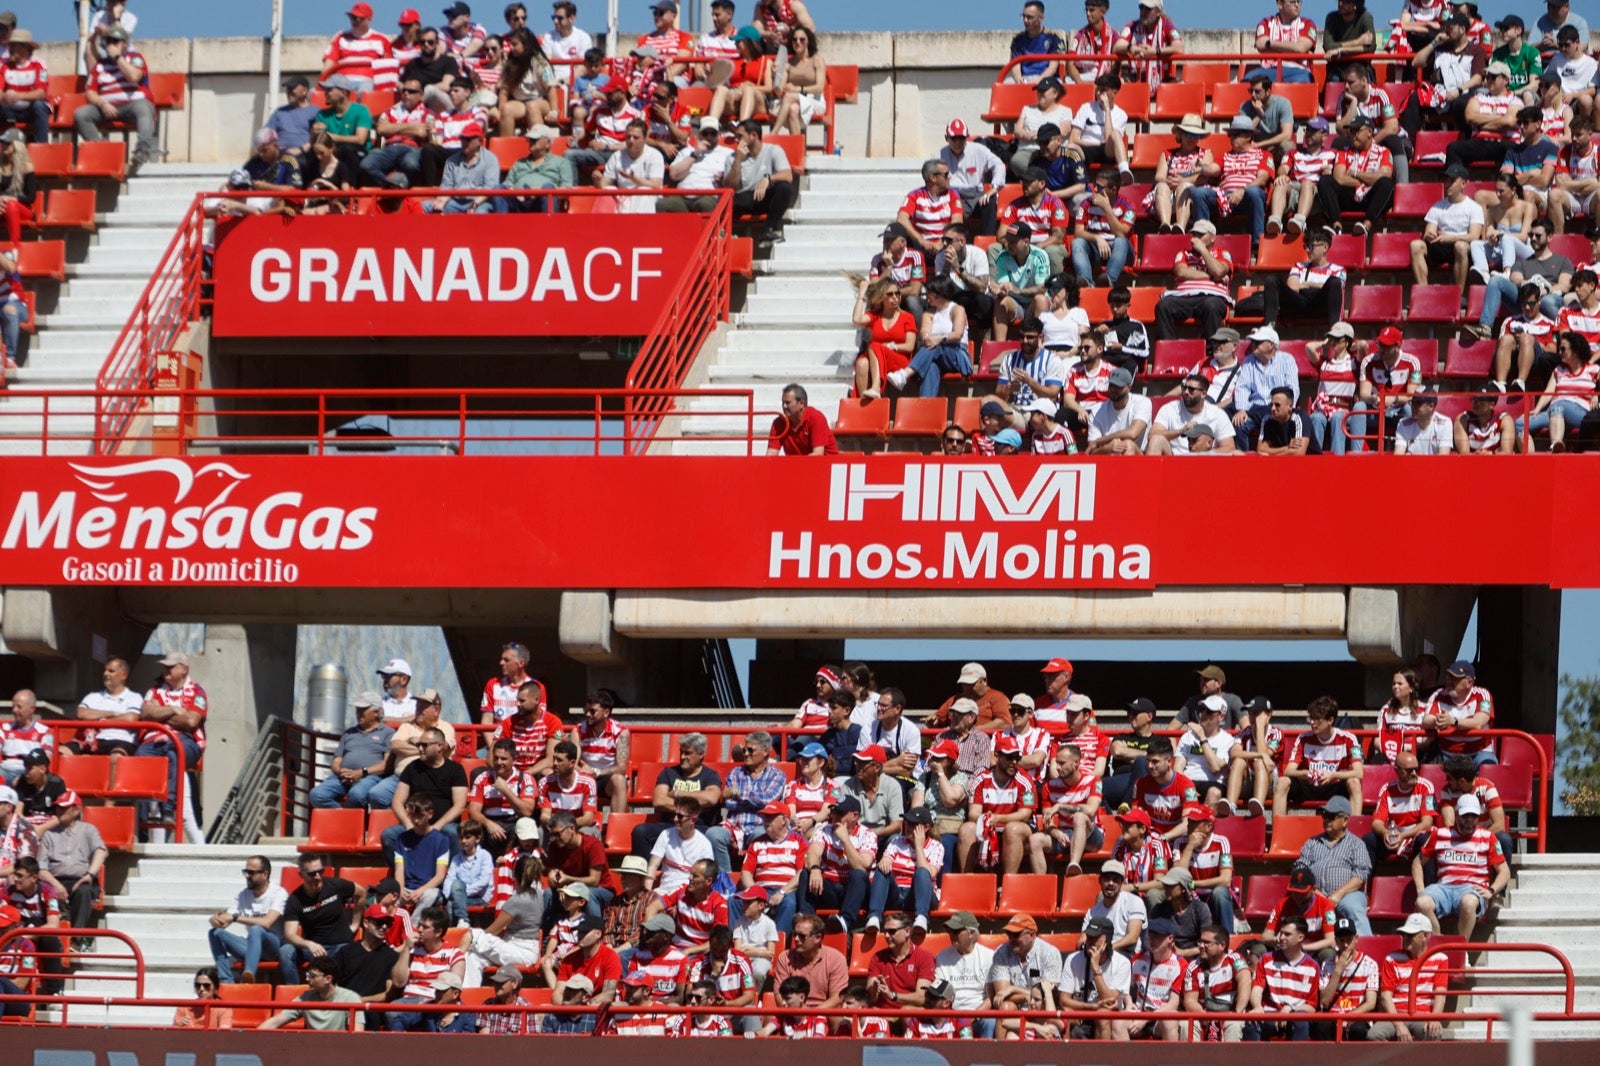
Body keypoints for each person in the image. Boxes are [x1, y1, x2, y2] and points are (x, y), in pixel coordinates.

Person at [1416, 793, 1508, 941]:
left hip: (1471, 889)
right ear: (1457, 814)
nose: (1469, 821)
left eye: (1474, 816)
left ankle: (1460, 950)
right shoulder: (1440, 834)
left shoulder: (1488, 837)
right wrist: (1421, 889)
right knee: (1422, 902)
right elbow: (1418, 862)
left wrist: (1491, 891)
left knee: (1468, 902)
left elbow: (1504, 871)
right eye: (1465, 816)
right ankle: (1439, 943)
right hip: (1443, 888)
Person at [74, 28, 155, 176]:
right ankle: (101, 153)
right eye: (108, 41)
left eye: (115, 41)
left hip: (132, 104)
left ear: (124, 44)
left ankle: (142, 151)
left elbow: (134, 77)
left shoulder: (135, 58)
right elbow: (90, 91)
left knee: (144, 107)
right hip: (107, 107)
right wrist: (102, 104)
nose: (110, 45)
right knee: (81, 114)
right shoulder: (99, 66)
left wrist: (118, 58)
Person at [207, 855, 296, 984]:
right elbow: (225, 921)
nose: (247, 876)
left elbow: (267, 922)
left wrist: (235, 917)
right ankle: (227, 980)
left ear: (265, 875)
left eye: (251, 872)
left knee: (256, 930)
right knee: (215, 933)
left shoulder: (278, 893)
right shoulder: (243, 895)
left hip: (274, 947)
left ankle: (249, 975)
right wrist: (216, 921)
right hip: (252, 948)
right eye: (245, 872)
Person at [1368, 913, 1449, 1041]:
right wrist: (1399, 1025)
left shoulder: (1440, 959)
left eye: (1410, 935)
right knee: (1374, 1035)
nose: (1406, 938)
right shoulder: (1392, 958)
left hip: (1423, 1016)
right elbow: (1385, 996)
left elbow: (1441, 993)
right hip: (1397, 1014)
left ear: (1425, 936)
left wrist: (1434, 1017)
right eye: (1404, 934)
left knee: (1433, 1034)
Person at [888, 277, 972, 397]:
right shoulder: (929, 313)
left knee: (935, 347)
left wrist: (939, 339)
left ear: (940, 294)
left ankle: (905, 374)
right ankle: (926, 405)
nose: (926, 296)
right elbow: (924, 333)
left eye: (929, 293)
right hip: (936, 355)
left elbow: (958, 334)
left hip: (957, 354)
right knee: (931, 367)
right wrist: (929, 339)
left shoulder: (957, 309)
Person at [309, 693, 392, 810]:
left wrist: (362, 772)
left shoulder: (388, 733)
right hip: (342, 777)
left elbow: (387, 764)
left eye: (363, 709)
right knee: (316, 795)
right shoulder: (349, 733)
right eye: (357, 709)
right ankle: (344, 818)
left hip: (369, 777)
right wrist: (340, 770)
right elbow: (336, 760)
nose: (358, 713)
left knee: (357, 794)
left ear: (376, 712)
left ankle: (348, 820)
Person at [1155, 221, 1234, 341]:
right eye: (1194, 235)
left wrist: (1203, 250)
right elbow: (1181, 272)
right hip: (1184, 297)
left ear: (1212, 238)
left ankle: (1212, 350)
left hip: (1211, 297)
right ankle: (1167, 350)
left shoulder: (1222, 253)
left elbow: (1219, 271)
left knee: (1211, 306)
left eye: (1200, 235)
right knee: (1163, 305)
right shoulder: (1184, 254)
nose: (1196, 238)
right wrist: (1211, 276)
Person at [1517, 331, 1596, 451]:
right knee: (1518, 423)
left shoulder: (1593, 369)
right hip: (1554, 412)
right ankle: (1531, 459)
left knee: (1559, 405)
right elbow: (1548, 393)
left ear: (1575, 350)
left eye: (1563, 349)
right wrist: (1537, 409)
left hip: (1580, 414)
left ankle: (1556, 445)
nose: (1560, 352)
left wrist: (1596, 395)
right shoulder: (1559, 370)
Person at [1412, 165, 1486, 293]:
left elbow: (1474, 236)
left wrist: (1450, 238)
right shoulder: (1438, 206)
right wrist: (1430, 235)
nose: (1447, 184)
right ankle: (1423, 292)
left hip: (1460, 246)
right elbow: (1429, 231)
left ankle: (1459, 294)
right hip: (1440, 244)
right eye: (1446, 180)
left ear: (1463, 183)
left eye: (1452, 181)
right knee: (1416, 245)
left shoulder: (1474, 207)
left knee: (1461, 246)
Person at [1246, 914, 1319, 1040]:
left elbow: (1312, 1006)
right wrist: (1257, 1006)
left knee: (1300, 1021)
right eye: (1280, 933)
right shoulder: (1266, 959)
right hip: (1269, 1013)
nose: (1280, 938)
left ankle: (1299, 1059)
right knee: (1253, 1021)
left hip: (1296, 1015)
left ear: (1300, 937)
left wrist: (1290, 1009)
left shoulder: (1313, 967)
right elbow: (1257, 989)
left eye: (1287, 934)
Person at [723, 119, 792, 245]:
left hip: (764, 198)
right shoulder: (732, 157)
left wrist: (768, 178)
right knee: (726, 202)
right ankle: (724, 235)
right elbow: (730, 188)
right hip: (743, 199)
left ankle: (768, 230)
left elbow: (788, 175)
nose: (736, 140)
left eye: (740, 136)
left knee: (785, 187)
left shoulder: (773, 150)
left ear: (753, 135)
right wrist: (738, 160)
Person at [1422, 659, 1498, 767]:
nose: (1449, 681)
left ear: (1469, 682)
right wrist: (1438, 720)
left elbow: (1478, 723)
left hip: (1478, 753)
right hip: (1446, 754)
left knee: (1488, 765)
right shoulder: (1438, 695)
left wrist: (1453, 721)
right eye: (1448, 677)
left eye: (1455, 679)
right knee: (1429, 767)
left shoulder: (1482, 695)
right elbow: (1426, 721)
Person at [259, 955, 364, 1031]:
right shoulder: (305, 997)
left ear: (328, 979)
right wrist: (251, 1038)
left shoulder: (351, 998)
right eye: (307, 975)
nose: (307, 979)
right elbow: (276, 1021)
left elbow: (357, 1034)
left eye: (312, 976)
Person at [940, 120, 1005, 237]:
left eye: (961, 138)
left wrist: (994, 187)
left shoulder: (978, 150)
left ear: (967, 137)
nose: (958, 142)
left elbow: (998, 165)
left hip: (975, 195)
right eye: (954, 138)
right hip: (952, 195)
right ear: (946, 138)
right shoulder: (939, 155)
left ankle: (987, 241)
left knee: (989, 201)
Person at [1070, 169, 1135, 287]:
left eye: (1099, 187)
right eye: (1094, 185)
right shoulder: (1086, 204)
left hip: (1121, 253)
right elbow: (1078, 232)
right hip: (1097, 250)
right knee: (1077, 243)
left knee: (1121, 241)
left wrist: (1106, 208)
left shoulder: (1128, 206)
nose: (1094, 190)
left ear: (1113, 190)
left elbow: (1121, 233)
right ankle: (1086, 282)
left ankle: (1108, 281)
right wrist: (1097, 238)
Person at [1183, 925, 1249, 1041]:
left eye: (1207, 943)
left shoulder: (1235, 959)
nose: (1201, 946)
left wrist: (1237, 1012)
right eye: (1200, 942)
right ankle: (1191, 1059)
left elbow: (1245, 981)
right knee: (1185, 1024)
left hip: (1229, 1014)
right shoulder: (1193, 967)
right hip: (1203, 1016)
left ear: (1222, 945)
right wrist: (1206, 1017)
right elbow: (1189, 1000)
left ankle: (1230, 1059)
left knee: (1234, 1024)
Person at [771, 912, 849, 1008]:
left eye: (802, 936)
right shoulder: (785, 957)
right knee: (770, 1017)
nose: (796, 939)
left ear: (817, 938)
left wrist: (811, 1014)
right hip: (792, 1011)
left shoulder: (836, 959)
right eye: (794, 934)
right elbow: (779, 994)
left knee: (835, 1016)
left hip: (823, 1011)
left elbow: (837, 997)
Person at [1114, 0, 1184, 90]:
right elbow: (1116, 47)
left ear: (1158, 12)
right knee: (1117, 84)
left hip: (1162, 76)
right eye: (1141, 7)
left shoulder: (1167, 26)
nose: (1143, 11)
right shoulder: (1132, 26)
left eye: (1147, 9)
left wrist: (1154, 51)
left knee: (1182, 86)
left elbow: (1179, 48)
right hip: (1135, 76)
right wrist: (1131, 48)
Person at [1086, 364, 1151, 454]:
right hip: (1109, 461)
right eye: (1111, 385)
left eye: (1118, 386)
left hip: (1139, 459)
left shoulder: (1142, 402)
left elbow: (1132, 433)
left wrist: (1100, 441)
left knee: (1128, 444)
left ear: (1129, 387)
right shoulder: (1097, 411)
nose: (1113, 389)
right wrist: (1106, 448)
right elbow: (1091, 451)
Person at [1249, 0, 1318, 83]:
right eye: (1292, 2)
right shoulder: (1266, 22)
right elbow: (1260, 44)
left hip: (1298, 70)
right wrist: (1292, 48)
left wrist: (1270, 44)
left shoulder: (1308, 24)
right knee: (1247, 81)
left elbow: (1300, 48)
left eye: (1299, 2)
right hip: (1268, 69)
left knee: (1301, 82)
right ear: (1280, 4)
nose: (1297, 5)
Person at [0, 32, 47, 147]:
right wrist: (4, 97)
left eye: (13, 45)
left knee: (39, 105)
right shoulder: (4, 66)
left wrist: (17, 96)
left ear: (25, 47)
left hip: (30, 110)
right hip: (10, 109)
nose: (9, 49)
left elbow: (41, 93)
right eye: (10, 45)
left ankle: (41, 147)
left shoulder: (39, 64)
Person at [766, 383, 839, 456]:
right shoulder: (778, 423)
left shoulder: (816, 417)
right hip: (800, 465)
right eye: (783, 402)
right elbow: (771, 454)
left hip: (826, 465)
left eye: (788, 403)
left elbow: (818, 454)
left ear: (801, 403)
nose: (784, 406)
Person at [1010, 1, 1066, 83]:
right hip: (1025, 78)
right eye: (1023, 16)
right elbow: (1015, 65)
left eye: (1029, 17)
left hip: (1047, 79)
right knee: (1005, 84)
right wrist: (1018, 78)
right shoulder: (1018, 40)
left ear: (1041, 18)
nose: (1025, 20)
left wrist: (1038, 81)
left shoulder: (1053, 38)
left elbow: (1053, 67)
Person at [1395, 388, 1454, 454]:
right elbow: (1398, 455)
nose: (1413, 406)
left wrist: (1420, 460)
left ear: (1431, 406)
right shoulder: (1403, 424)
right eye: (1412, 402)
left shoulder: (1445, 423)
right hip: (1411, 464)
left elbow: (1443, 458)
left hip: (1434, 464)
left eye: (1418, 403)